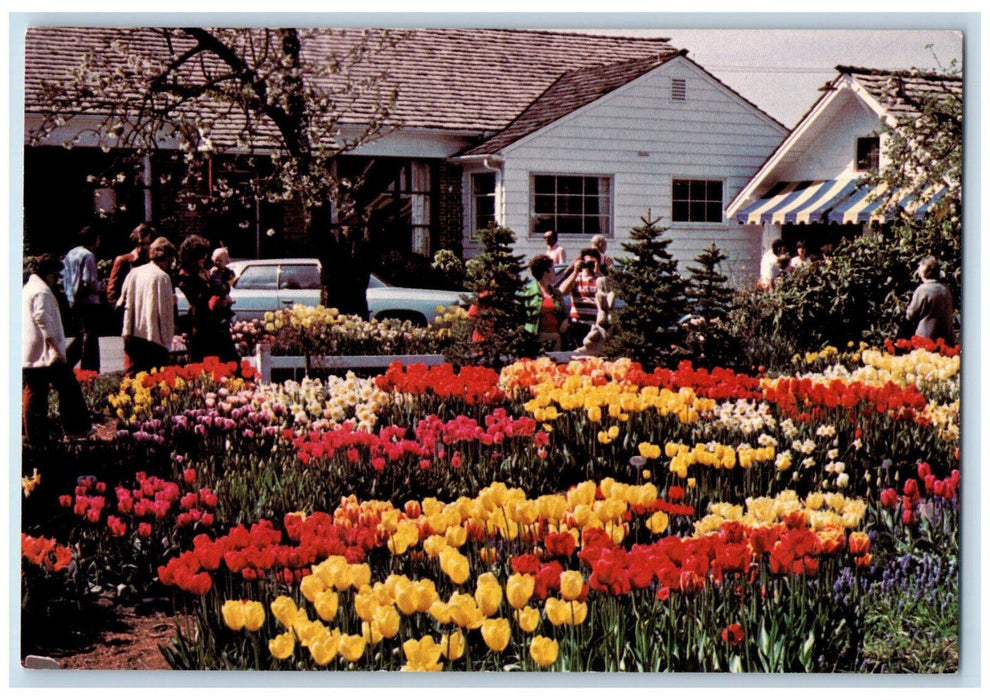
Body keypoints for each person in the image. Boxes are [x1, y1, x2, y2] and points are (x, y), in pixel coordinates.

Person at [22, 254, 94, 443]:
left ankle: (37, 437)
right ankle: (76, 429)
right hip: (44, 354)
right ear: (47, 274)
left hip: (32, 354)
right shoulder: (42, 292)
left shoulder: (29, 288)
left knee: (35, 392)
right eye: (54, 276)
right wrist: (57, 348)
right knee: (67, 387)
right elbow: (43, 320)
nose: (56, 280)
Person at [117, 237, 177, 377]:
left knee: (133, 381)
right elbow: (165, 313)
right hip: (154, 339)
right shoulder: (162, 277)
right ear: (168, 258)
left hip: (133, 336)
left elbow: (122, 301)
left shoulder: (135, 272)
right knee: (153, 382)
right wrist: (168, 340)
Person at [177, 235, 239, 364]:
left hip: (218, 321)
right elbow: (196, 298)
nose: (204, 259)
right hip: (202, 323)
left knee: (229, 360)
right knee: (204, 362)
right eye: (200, 256)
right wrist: (215, 294)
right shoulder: (185, 275)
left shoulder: (204, 270)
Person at [62, 225, 103, 371]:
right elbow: (89, 281)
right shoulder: (88, 255)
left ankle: (65, 364)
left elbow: (65, 277)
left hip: (73, 299)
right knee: (90, 336)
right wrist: (100, 287)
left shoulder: (71, 254)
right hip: (88, 302)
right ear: (94, 239)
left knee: (82, 335)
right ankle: (89, 369)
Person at [522, 254, 568, 351]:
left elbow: (562, 313)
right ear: (545, 273)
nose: (555, 273)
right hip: (536, 338)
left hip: (555, 337)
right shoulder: (527, 292)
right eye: (552, 269)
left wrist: (565, 320)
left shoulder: (556, 293)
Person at [560, 248, 604, 349]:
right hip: (579, 324)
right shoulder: (576, 278)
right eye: (588, 262)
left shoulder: (601, 280)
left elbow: (609, 295)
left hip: (596, 324)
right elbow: (562, 291)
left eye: (593, 262)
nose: (590, 265)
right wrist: (575, 272)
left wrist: (598, 272)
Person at [905, 255, 954, 344]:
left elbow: (911, 315)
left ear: (924, 272)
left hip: (926, 339)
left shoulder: (923, 290)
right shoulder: (945, 289)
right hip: (946, 339)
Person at [107, 223, 154, 306]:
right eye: (141, 244)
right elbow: (112, 290)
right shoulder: (123, 261)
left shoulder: (151, 263)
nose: (145, 247)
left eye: (148, 243)